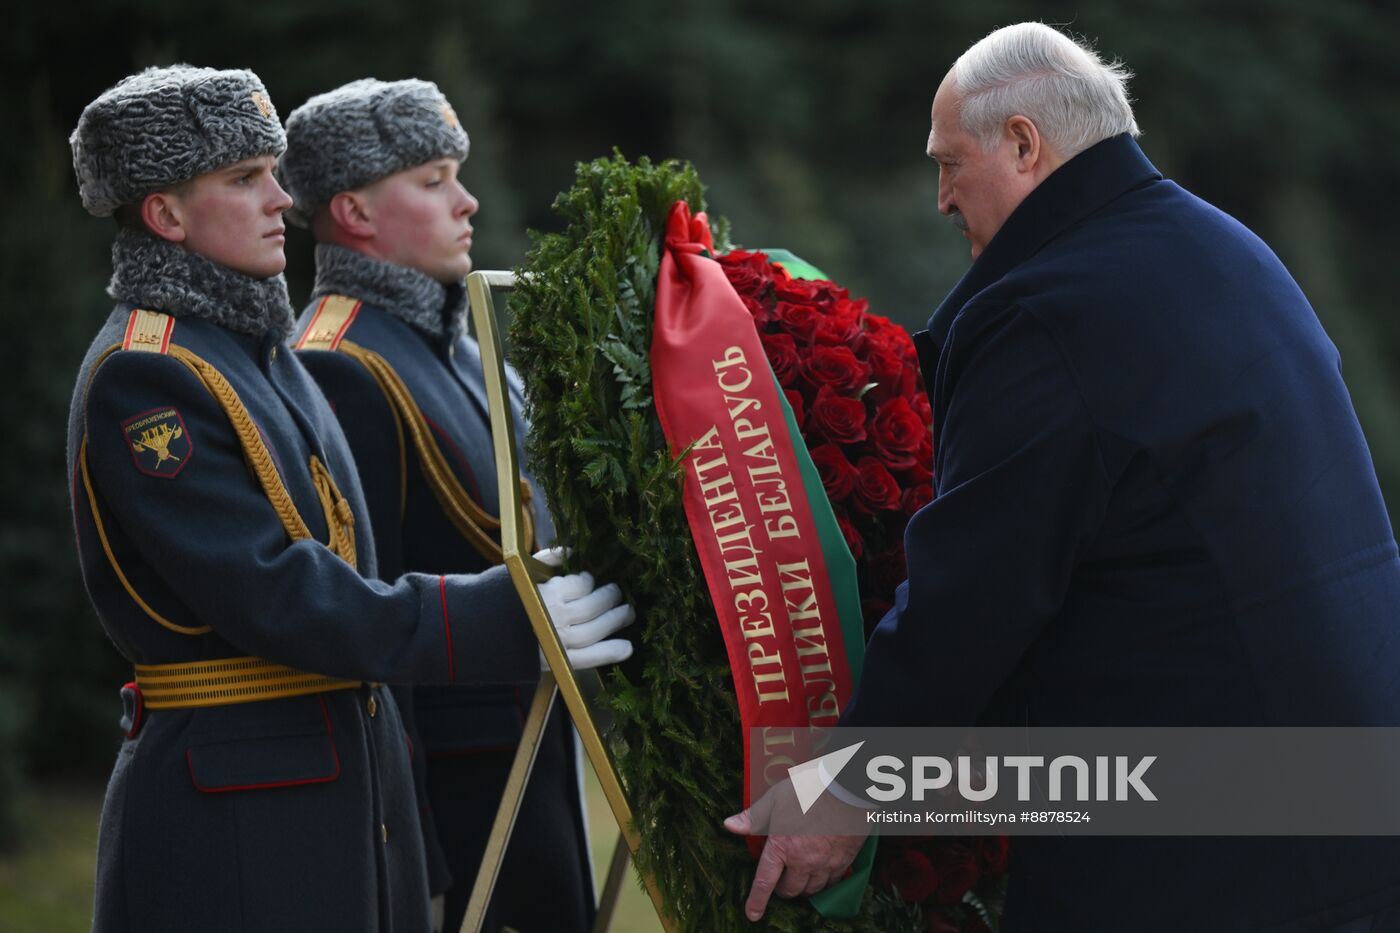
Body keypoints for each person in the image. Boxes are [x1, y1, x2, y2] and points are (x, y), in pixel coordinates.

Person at [727, 22, 1400, 931]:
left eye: (949, 163)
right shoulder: (1212, 246)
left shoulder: (1054, 311)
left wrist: (846, 790)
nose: (939, 198)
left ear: (1022, 144)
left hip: (1216, 841)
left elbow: (974, 594)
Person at [66, 65, 631, 931]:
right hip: (237, 807)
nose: (282, 200)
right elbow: (277, 592)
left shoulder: (252, 350)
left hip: (336, 783)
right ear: (166, 215)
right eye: (244, 178)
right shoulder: (148, 374)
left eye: (274, 172)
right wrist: (501, 616)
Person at [277, 78, 596, 933]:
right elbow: (362, 618)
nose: (468, 201)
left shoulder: (458, 347)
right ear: (354, 211)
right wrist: (410, 846)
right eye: (433, 179)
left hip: (528, 752)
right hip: (454, 790)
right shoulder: (336, 363)